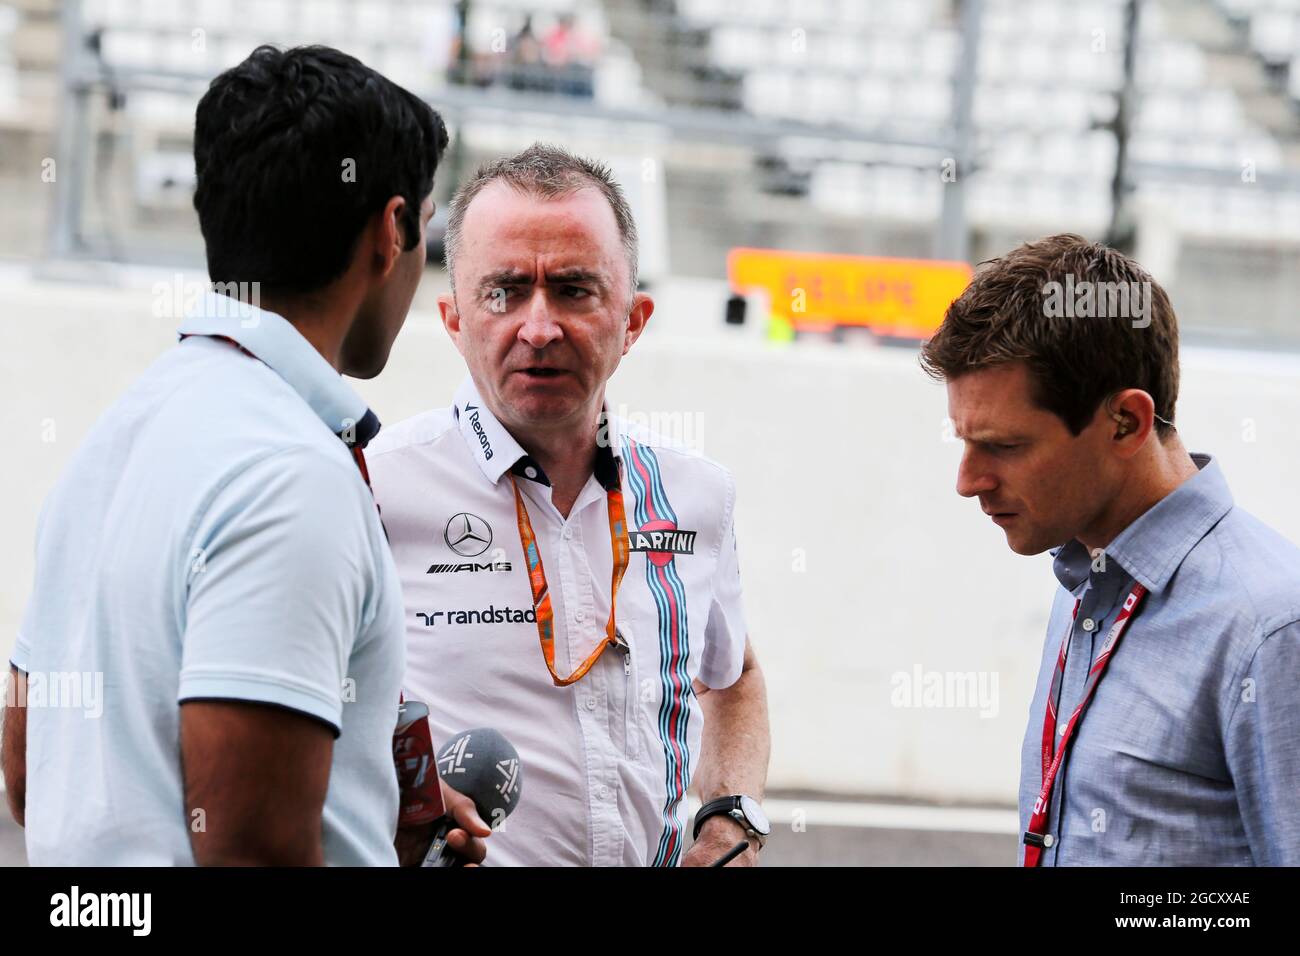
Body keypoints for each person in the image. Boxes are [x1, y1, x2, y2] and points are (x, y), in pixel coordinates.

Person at [0, 45, 488, 866]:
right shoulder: (292, 474)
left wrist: (356, 815)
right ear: (390, 229)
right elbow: (252, 851)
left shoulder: (119, 434)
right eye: (426, 228)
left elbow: (26, 771)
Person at [367, 143, 772, 866]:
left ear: (633, 320)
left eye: (576, 289)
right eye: (505, 291)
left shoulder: (697, 493)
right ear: (454, 319)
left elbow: (733, 675)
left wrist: (730, 819)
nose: (540, 327)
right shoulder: (374, 487)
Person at [920, 233, 1300, 866]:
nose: (968, 481)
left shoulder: (1271, 628)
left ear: (1126, 422)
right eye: (964, 442)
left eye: (1005, 446)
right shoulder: (1087, 580)